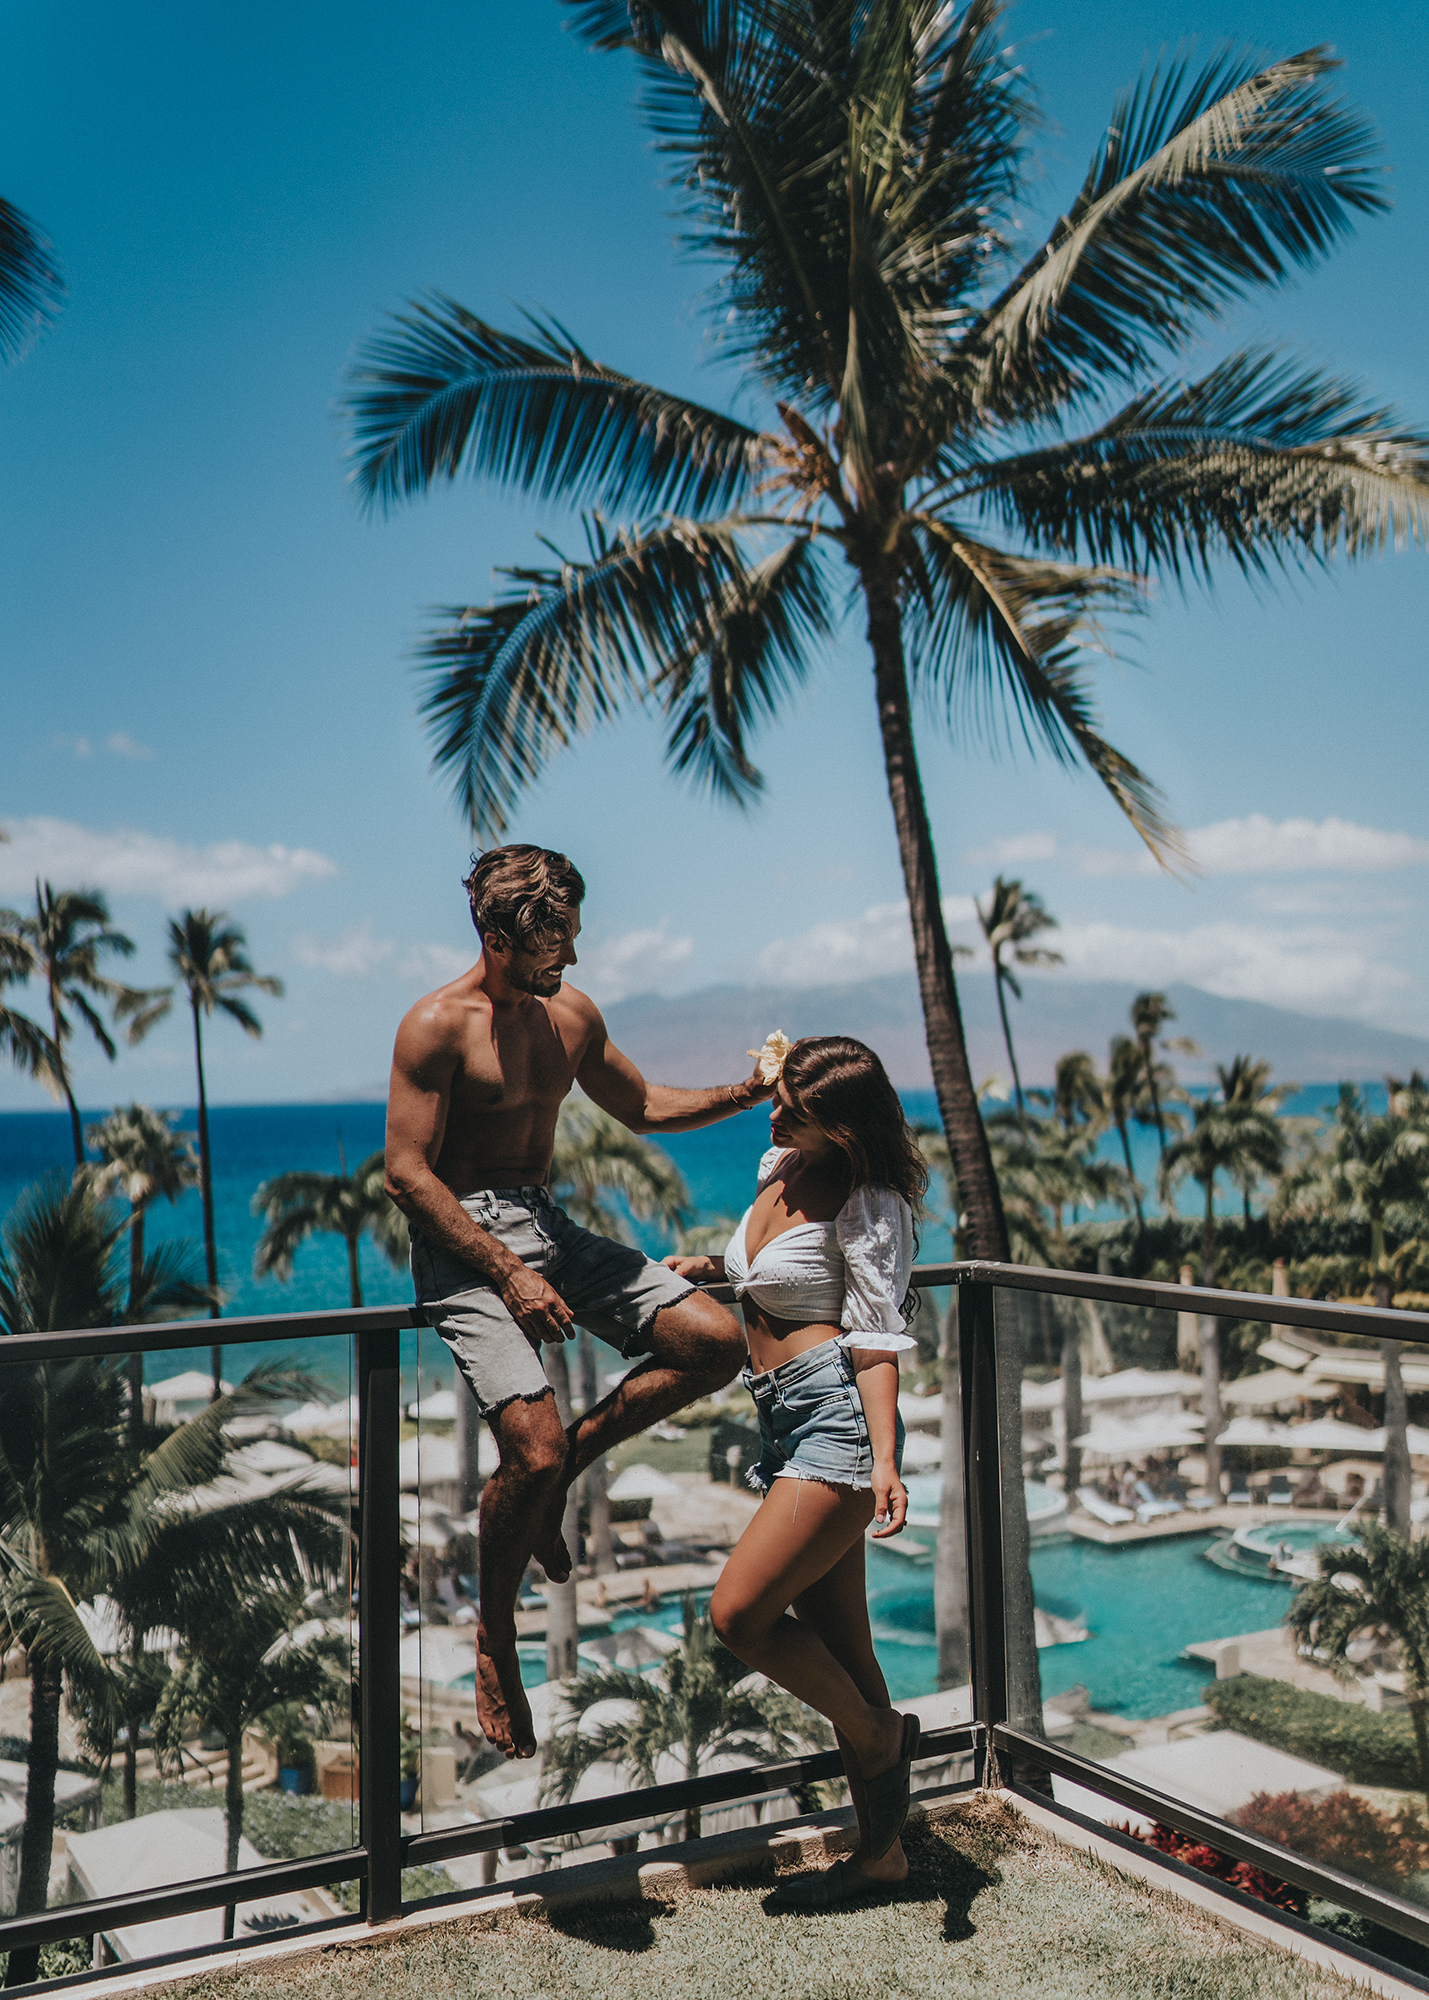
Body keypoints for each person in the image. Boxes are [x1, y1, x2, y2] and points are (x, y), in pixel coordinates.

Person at [384, 843, 773, 1759]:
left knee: (711, 1342)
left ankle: (562, 1476)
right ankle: (494, 1639)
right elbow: (406, 1174)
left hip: (548, 1222)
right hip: (463, 1244)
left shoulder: (569, 1016)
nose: (571, 960)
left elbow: (642, 1107)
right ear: (494, 934)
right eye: (551, 943)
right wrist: (507, 1273)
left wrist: (748, 1090)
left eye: (572, 939)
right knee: (532, 1445)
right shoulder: (434, 1026)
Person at [664, 1036, 925, 1904]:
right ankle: (882, 1856)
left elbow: (877, 1341)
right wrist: (709, 1268)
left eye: (795, 1110)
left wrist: (884, 1461)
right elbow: (774, 1278)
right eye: (779, 1099)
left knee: (738, 1614)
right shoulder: (783, 1163)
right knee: (846, 1648)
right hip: (779, 1416)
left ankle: (879, 1734)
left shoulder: (869, 1200)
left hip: (834, 1424)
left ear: (843, 1127)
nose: (773, 1115)